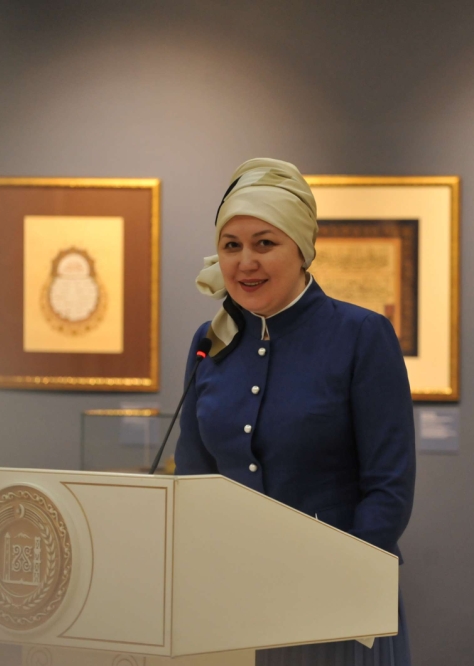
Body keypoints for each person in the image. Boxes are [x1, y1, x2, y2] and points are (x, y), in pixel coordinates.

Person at [175, 157, 416, 666]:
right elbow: (193, 475)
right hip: (230, 600)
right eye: (231, 246)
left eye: (265, 243)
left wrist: (334, 578)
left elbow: (388, 488)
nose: (245, 262)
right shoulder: (210, 340)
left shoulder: (361, 335)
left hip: (336, 606)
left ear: (302, 250)